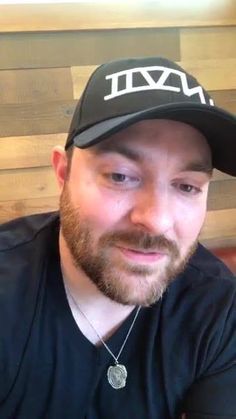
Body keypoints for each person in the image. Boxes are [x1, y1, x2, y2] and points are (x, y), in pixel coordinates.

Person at [0, 56, 235, 419]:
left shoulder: (217, 307)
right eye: (120, 176)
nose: (156, 221)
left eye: (187, 186)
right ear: (62, 174)